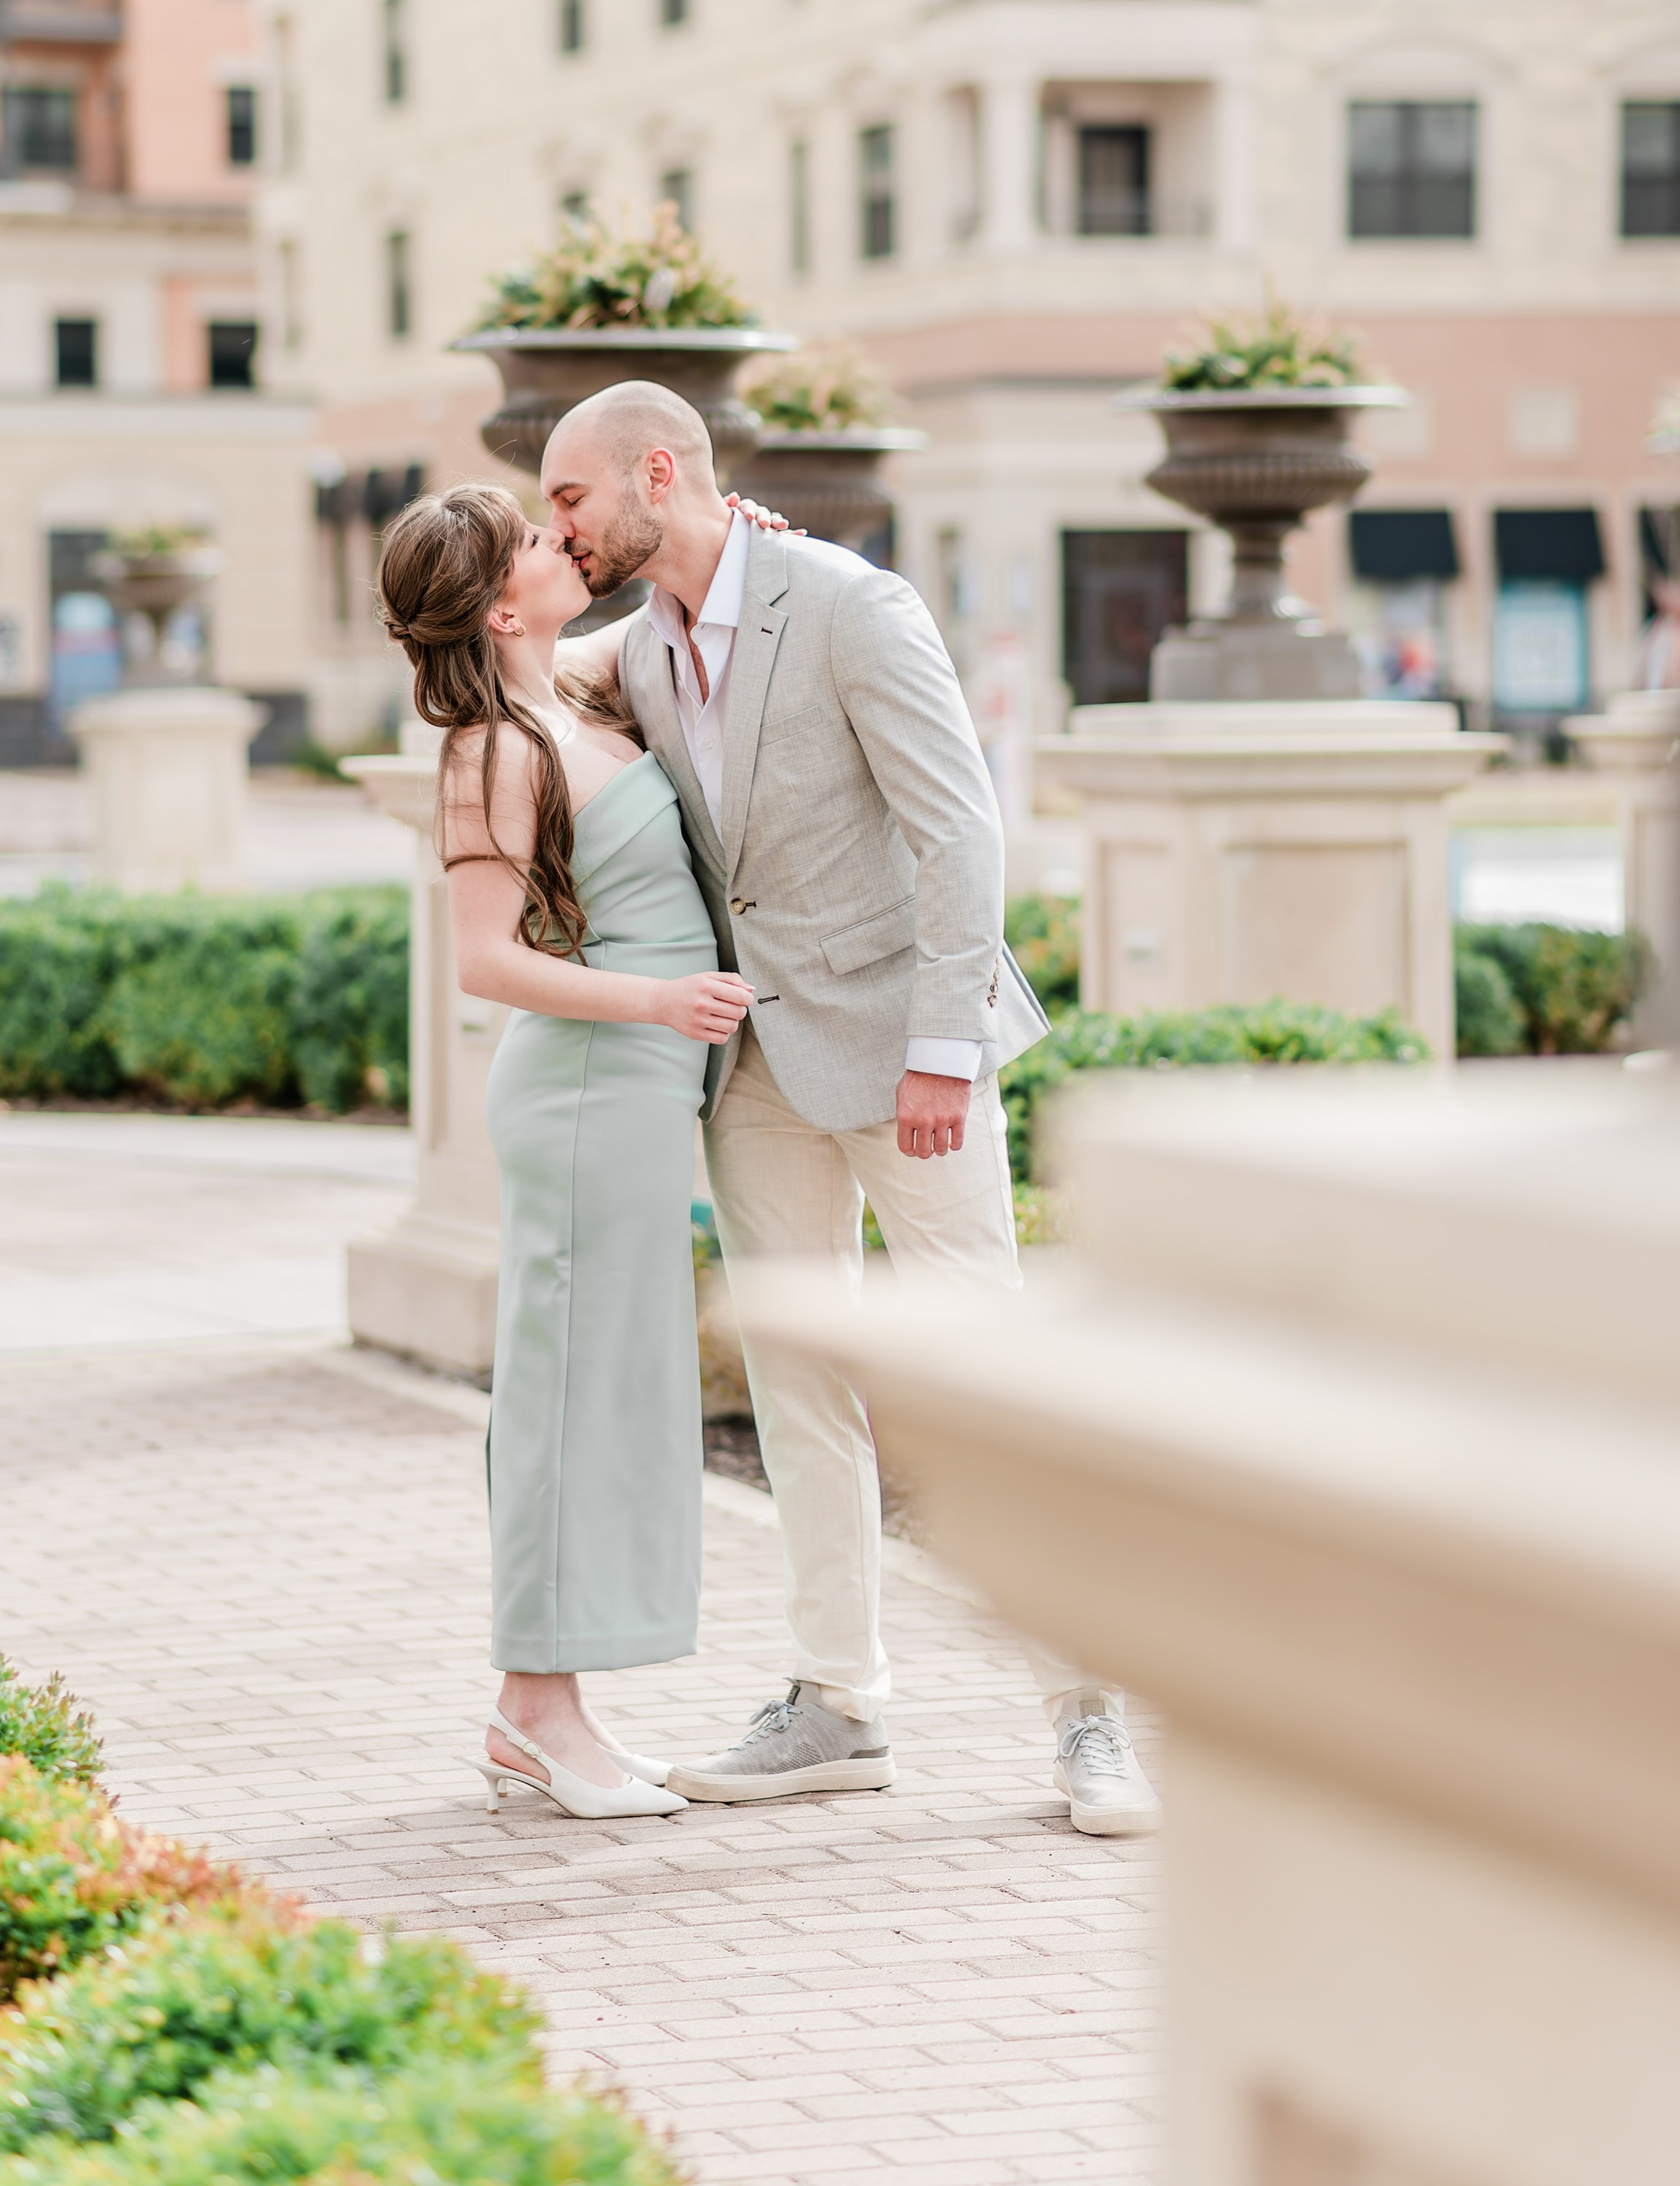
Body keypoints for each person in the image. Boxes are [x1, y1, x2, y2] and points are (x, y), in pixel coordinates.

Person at [543, 381, 1161, 1838]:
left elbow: (959, 823)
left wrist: (947, 1046)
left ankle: (1092, 1715)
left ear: (656, 471)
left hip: (907, 1054)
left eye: (570, 500)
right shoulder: (630, 649)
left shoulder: (850, 604)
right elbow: (493, 657)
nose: (556, 529)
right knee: (799, 1382)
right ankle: (837, 1704)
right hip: (752, 1064)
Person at [375, 483, 753, 1823]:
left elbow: (677, 605)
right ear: (498, 602)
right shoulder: (490, 746)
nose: (563, 543)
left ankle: (561, 1709)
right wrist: (658, 1000)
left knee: (616, 1394)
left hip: (640, 1098)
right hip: (589, 1091)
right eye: (539, 543)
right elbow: (486, 962)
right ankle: (532, 1713)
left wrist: (732, 528)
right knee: (563, 1399)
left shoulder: (567, 696)